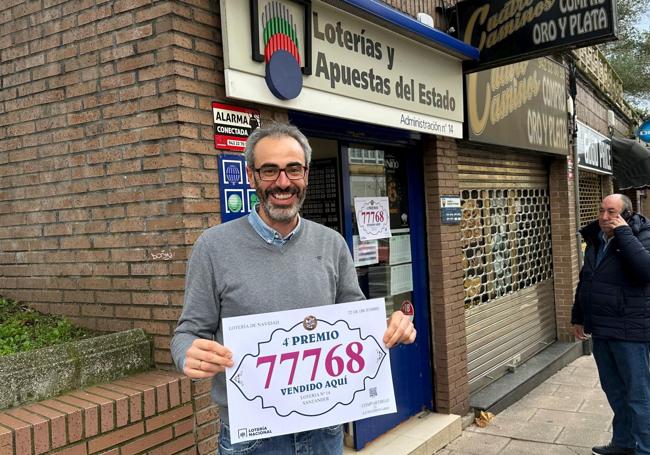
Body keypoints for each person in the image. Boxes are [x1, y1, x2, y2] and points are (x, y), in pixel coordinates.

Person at [171, 122, 416, 455]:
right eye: (269, 170)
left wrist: (391, 327)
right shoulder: (213, 248)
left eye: (293, 170)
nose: (283, 183)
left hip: (324, 428)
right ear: (250, 176)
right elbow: (187, 332)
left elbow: (355, 323)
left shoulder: (332, 244)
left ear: (306, 174)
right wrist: (187, 353)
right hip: (252, 436)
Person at [571, 193, 650, 455]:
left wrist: (625, 234)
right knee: (615, 391)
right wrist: (578, 316)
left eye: (612, 212)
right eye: (602, 210)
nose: (605, 217)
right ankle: (624, 443)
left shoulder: (642, 235)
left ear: (626, 215)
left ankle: (644, 448)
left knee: (639, 396)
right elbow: (587, 279)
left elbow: (645, 271)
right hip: (602, 329)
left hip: (631, 330)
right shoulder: (595, 238)